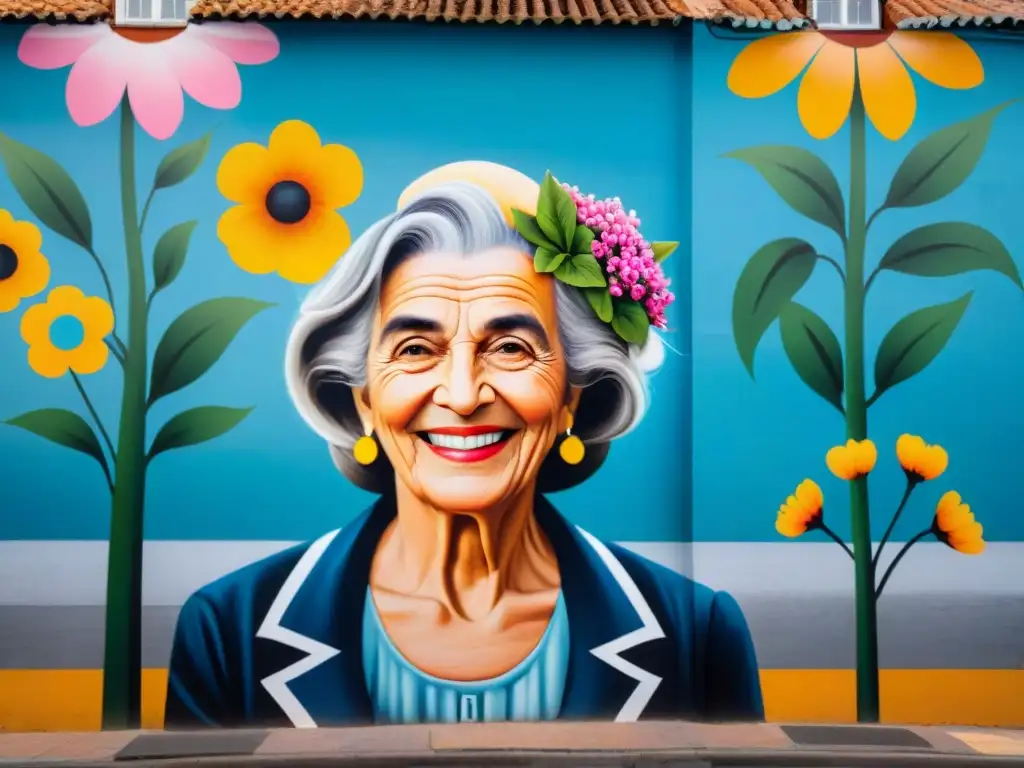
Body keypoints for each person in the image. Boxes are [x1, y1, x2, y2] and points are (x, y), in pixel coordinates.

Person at [164, 161, 763, 728]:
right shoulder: (230, 633)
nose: (462, 393)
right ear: (362, 399)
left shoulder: (695, 634)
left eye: (510, 348)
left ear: (572, 398)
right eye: (416, 350)